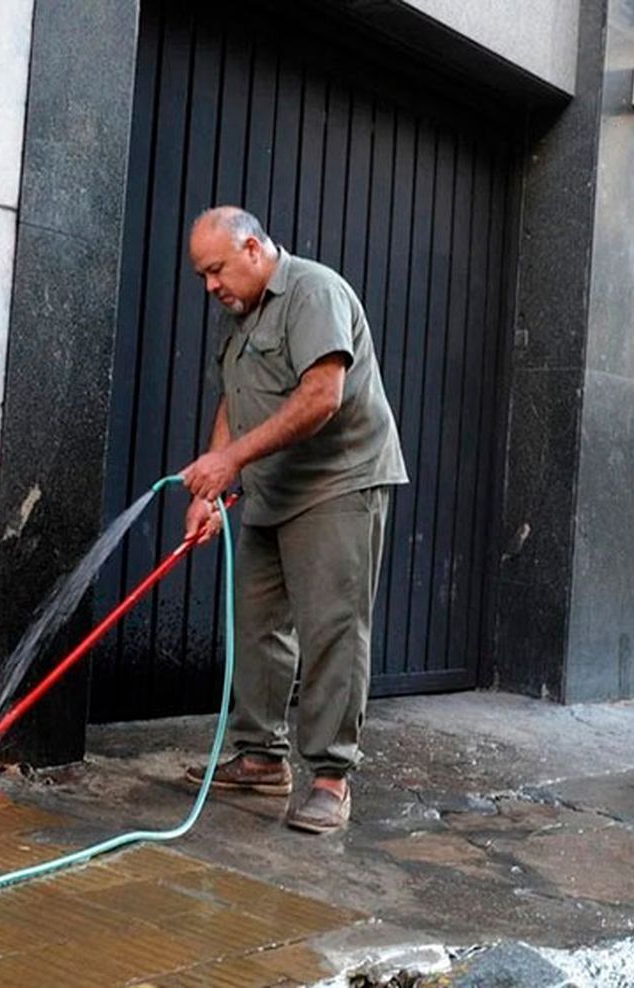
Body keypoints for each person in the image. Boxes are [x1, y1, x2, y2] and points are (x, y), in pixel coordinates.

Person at [179, 206, 408, 834]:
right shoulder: (243, 317)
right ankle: (259, 758)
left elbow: (322, 396)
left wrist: (230, 461)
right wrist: (212, 486)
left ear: (252, 248)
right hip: (269, 489)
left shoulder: (314, 291)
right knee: (257, 625)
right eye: (202, 275)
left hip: (337, 484)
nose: (210, 286)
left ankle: (332, 779)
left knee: (332, 628)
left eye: (216, 270)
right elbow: (235, 396)